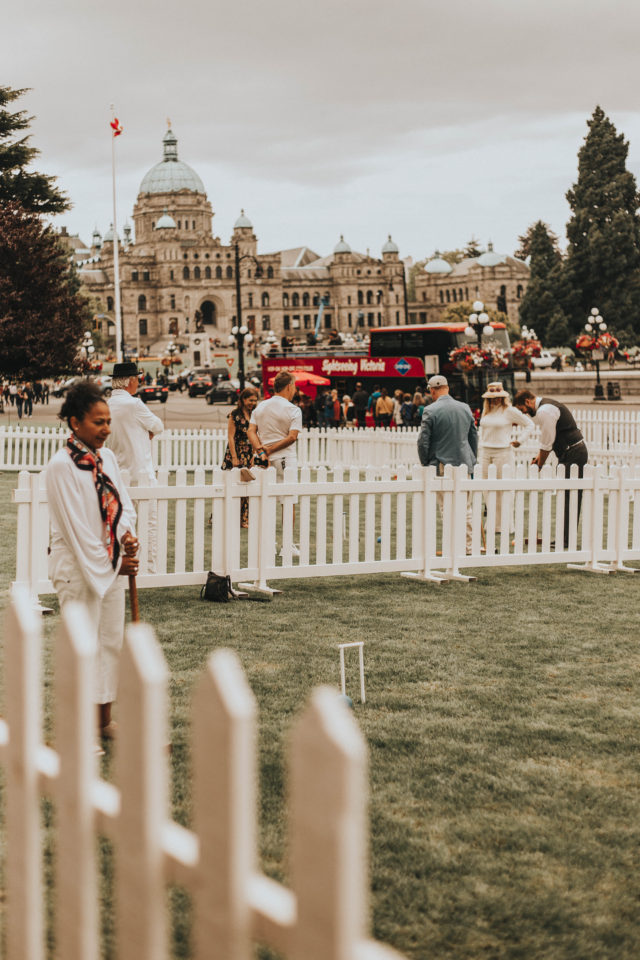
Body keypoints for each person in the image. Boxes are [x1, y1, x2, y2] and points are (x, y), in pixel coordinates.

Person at [45, 380, 138, 745]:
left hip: (110, 564)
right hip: (78, 571)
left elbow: (123, 505)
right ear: (74, 422)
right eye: (98, 422)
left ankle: (102, 722)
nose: (106, 429)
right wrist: (116, 563)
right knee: (82, 648)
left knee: (109, 643)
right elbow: (77, 532)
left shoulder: (108, 459)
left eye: (108, 421)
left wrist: (125, 533)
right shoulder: (61, 467)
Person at [107, 361, 164, 572]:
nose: (138, 382)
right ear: (130, 381)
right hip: (141, 470)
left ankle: (122, 564)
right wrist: (147, 432)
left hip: (117, 472)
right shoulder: (134, 404)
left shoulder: (107, 405)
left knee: (121, 523)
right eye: (137, 379)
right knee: (149, 523)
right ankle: (149, 567)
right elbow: (158, 426)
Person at [514, 389, 588, 548]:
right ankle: (564, 538)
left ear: (528, 401)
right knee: (565, 496)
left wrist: (540, 464)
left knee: (570, 497)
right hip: (569, 452)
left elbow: (547, 442)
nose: (525, 414)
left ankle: (567, 540)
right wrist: (539, 458)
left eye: (523, 410)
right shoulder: (546, 407)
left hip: (573, 452)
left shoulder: (544, 411)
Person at [417, 374, 478, 552]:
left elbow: (423, 441)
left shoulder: (430, 410)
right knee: (465, 507)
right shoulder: (465, 407)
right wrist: (472, 457)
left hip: (442, 463)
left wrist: (426, 462)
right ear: (448, 388)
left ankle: (453, 545)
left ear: (433, 390)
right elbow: (473, 436)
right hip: (464, 462)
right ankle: (468, 545)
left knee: (446, 507)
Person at [248, 370, 303, 555]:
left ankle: (268, 543)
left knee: (267, 500)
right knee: (288, 501)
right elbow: (292, 437)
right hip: (285, 457)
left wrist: (261, 450)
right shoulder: (293, 409)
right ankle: (287, 544)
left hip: (265, 461)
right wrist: (270, 449)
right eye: (294, 386)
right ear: (289, 386)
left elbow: (251, 431)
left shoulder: (260, 407)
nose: (295, 390)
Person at [478, 382, 533, 534]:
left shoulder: (509, 410)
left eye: (497, 397)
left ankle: (506, 525)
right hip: (485, 452)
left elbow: (529, 424)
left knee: (504, 489)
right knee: (487, 489)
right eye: (492, 397)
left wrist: (519, 440)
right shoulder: (486, 410)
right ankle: (492, 524)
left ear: (502, 397)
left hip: (503, 452)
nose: (494, 399)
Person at [222, 387, 259, 528]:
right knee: (232, 486)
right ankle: (223, 516)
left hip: (250, 453)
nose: (253, 403)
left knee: (248, 486)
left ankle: (244, 518)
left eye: (255, 400)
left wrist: (254, 454)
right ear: (243, 400)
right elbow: (230, 437)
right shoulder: (234, 414)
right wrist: (234, 457)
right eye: (250, 400)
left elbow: (256, 435)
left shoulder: (255, 414)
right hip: (236, 452)